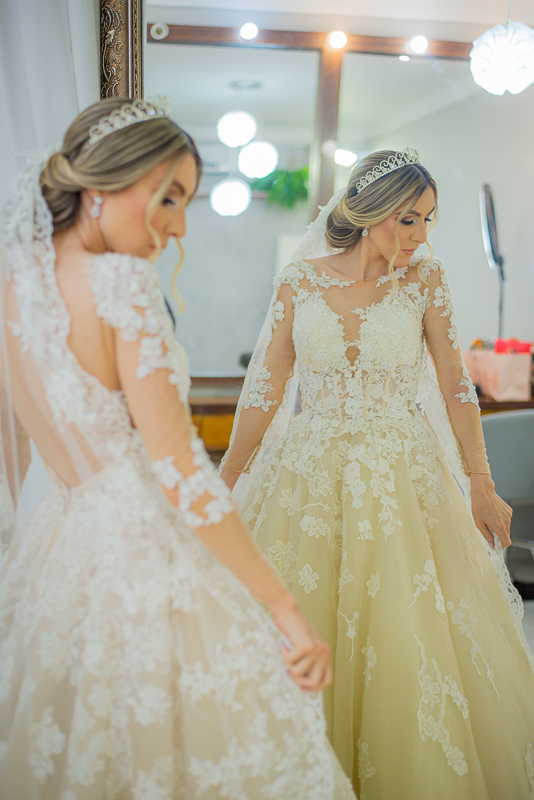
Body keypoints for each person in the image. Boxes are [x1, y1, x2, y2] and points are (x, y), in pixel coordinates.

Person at [0, 97, 355, 800]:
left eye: (185, 202)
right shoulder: (119, 284)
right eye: (167, 197)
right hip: (143, 552)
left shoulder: (13, 288)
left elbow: (17, 451)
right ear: (102, 185)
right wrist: (284, 611)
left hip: (56, 553)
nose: (179, 225)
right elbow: (183, 473)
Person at [220, 148, 534, 799]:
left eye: (427, 220)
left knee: (407, 633)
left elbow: (455, 386)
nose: (420, 236)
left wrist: (480, 481)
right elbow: (265, 391)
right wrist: (221, 483)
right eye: (408, 220)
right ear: (368, 213)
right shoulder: (300, 281)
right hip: (308, 479)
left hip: (402, 477)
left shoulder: (425, 280)